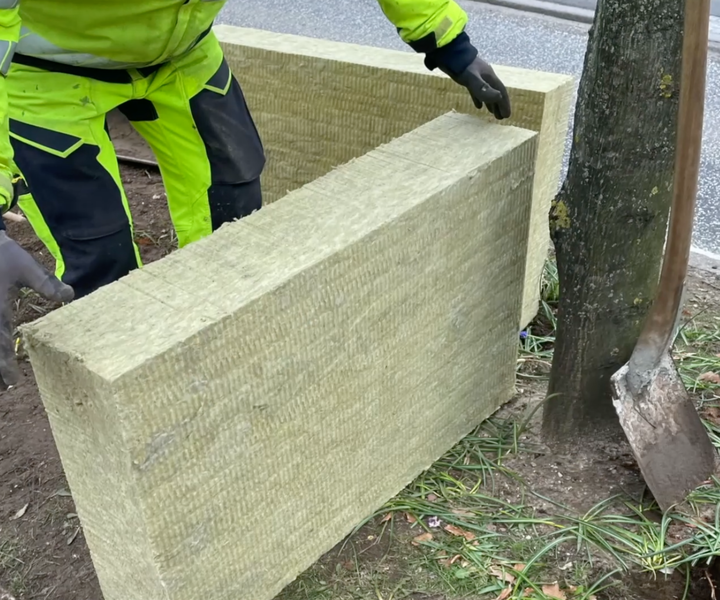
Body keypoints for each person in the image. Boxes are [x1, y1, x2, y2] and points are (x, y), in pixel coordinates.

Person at [0, 0, 512, 388]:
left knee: (234, 216)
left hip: (183, 56)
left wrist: (448, 43)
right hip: (43, 78)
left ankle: (218, 355)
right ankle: (127, 396)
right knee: (99, 259)